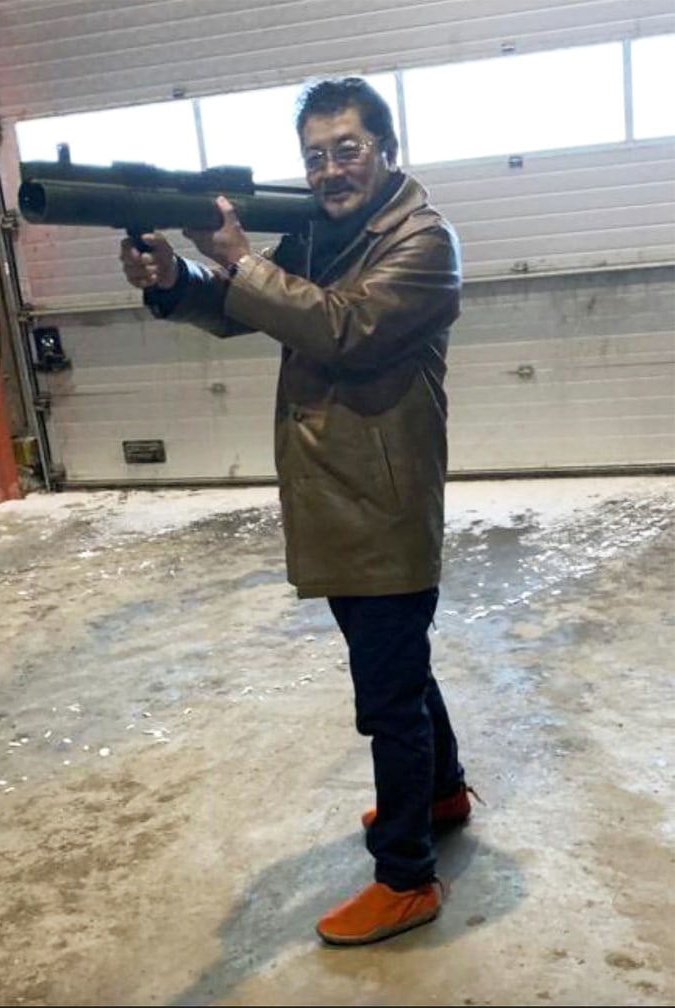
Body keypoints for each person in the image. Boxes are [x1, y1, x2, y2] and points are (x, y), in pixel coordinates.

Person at [120, 76, 472, 946]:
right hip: (338, 496)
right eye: (315, 156)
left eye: (347, 148)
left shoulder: (423, 243)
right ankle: (443, 796)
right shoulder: (322, 232)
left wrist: (238, 260)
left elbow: (340, 327)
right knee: (399, 667)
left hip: (384, 502)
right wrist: (178, 278)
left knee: (387, 696)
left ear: (386, 150)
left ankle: (406, 878)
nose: (330, 169)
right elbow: (252, 304)